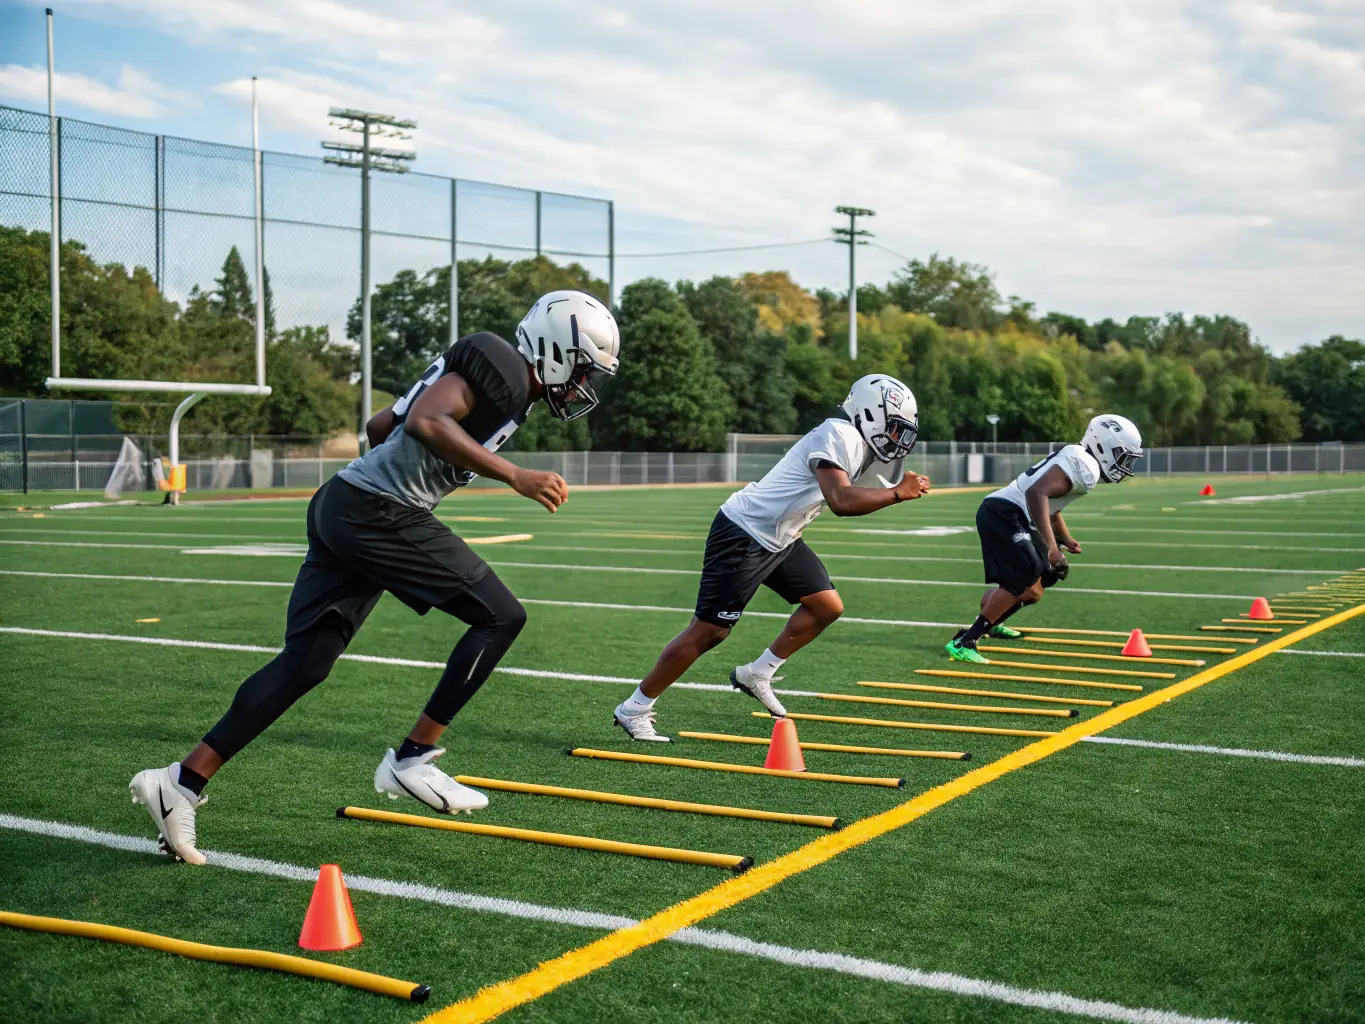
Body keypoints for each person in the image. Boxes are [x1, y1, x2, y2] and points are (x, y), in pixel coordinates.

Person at [130, 290, 620, 864]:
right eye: (584, 369)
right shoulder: (505, 367)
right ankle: (412, 758)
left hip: (349, 502)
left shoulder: (504, 380)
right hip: (375, 511)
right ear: (556, 349)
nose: (583, 385)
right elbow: (422, 419)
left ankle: (179, 783)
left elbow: (377, 424)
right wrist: (513, 474)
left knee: (306, 663)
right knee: (502, 615)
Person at [614, 374, 930, 741]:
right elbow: (842, 501)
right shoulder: (839, 433)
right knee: (710, 631)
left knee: (826, 606)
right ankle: (634, 708)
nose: (895, 439)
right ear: (870, 413)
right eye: (893, 429)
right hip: (744, 532)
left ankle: (758, 673)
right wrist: (897, 494)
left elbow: (857, 494)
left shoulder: (856, 443)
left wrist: (896, 489)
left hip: (780, 537)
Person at [944, 414, 1143, 664]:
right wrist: (1051, 548)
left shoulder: (1081, 459)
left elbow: (1052, 507)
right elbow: (1036, 493)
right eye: (1122, 456)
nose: (1124, 464)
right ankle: (965, 640)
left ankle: (992, 620)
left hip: (1013, 514)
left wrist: (1065, 539)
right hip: (1003, 511)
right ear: (1104, 445)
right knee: (1028, 570)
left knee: (1044, 580)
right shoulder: (1086, 466)